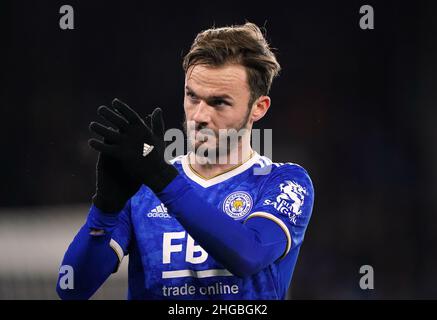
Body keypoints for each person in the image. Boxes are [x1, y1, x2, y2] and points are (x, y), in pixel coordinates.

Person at [56, 22, 314, 300]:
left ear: (258, 108)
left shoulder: (284, 183)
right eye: (192, 96)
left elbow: (248, 256)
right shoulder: (145, 186)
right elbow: (72, 288)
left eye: (219, 103)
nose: (199, 115)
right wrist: (105, 210)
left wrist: (162, 179)